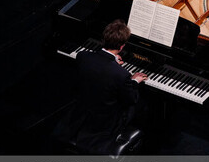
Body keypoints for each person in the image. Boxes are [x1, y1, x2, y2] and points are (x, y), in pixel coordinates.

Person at [55, 19, 147, 154]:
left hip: (83, 108)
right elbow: (130, 99)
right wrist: (134, 81)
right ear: (121, 47)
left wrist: (112, 63)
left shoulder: (83, 56)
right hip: (104, 122)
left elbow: (100, 68)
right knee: (140, 102)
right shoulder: (121, 74)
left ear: (104, 39)